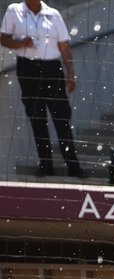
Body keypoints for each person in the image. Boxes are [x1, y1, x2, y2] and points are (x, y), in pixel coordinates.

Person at [0, 0, 83, 178]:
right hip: (28, 68)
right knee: (37, 117)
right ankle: (46, 164)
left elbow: (64, 46)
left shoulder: (53, 13)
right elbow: (4, 38)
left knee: (62, 117)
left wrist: (70, 73)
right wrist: (20, 43)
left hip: (52, 68)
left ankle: (73, 165)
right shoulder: (14, 10)